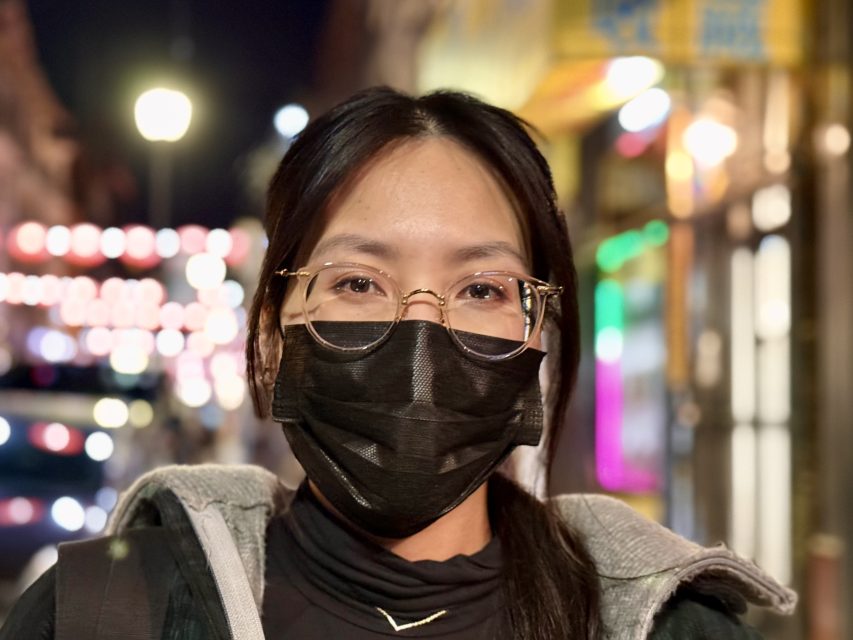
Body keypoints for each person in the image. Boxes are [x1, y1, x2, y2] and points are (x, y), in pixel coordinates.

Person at [0, 87, 795, 640]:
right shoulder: (99, 611)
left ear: (538, 337)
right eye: (357, 283)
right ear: (272, 335)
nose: (420, 336)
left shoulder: (676, 630)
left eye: (481, 288)